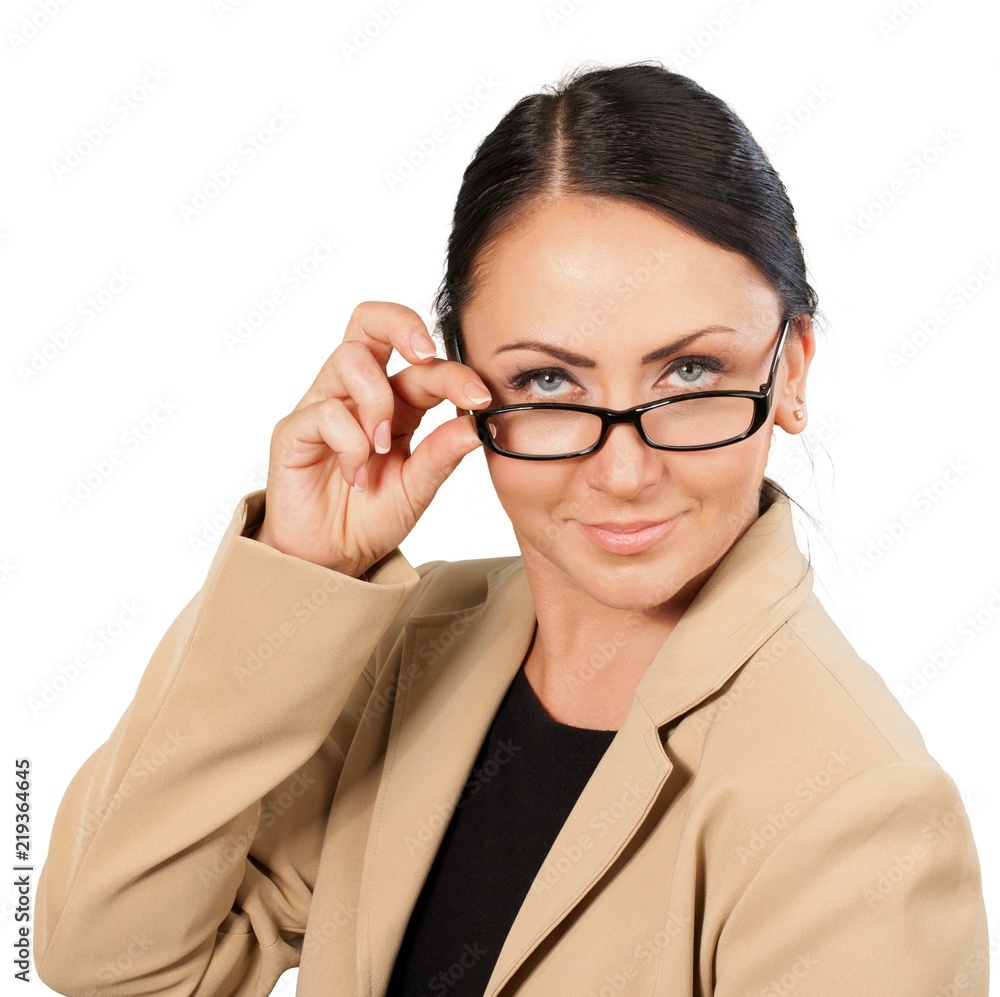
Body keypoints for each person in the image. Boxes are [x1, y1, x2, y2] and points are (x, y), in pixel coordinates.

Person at [35, 61, 988, 996]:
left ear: (792, 370)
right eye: (548, 382)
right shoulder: (402, 648)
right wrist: (298, 569)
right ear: (461, 386)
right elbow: (109, 959)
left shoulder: (861, 810)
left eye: (692, 372)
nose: (624, 471)